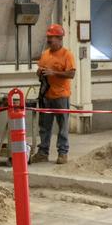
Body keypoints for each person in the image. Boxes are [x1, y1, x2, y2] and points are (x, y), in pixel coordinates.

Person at [32, 23, 76, 165]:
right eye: (48, 37)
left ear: (59, 38)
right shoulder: (45, 54)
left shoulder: (67, 54)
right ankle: (43, 152)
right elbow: (40, 70)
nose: (49, 40)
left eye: (52, 37)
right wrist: (39, 72)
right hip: (46, 96)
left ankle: (63, 153)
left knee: (62, 126)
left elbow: (71, 73)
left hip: (61, 96)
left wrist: (54, 73)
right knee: (44, 126)